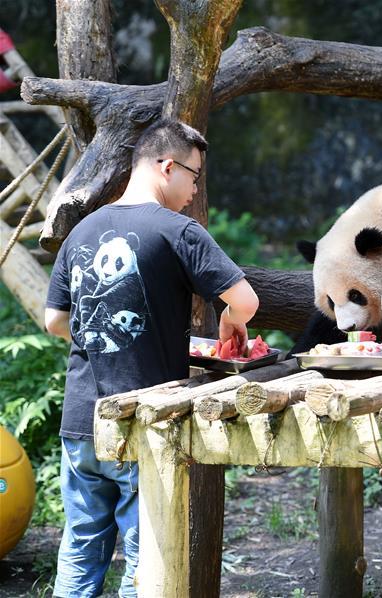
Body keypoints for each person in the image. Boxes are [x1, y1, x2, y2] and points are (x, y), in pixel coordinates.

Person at [44, 118, 258, 597]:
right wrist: (230, 321)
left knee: (80, 548)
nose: (195, 188)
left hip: (82, 421)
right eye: (194, 175)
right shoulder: (179, 230)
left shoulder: (83, 231)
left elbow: (54, 321)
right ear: (167, 166)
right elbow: (245, 301)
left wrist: (101, 340)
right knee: (147, 557)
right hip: (145, 422)